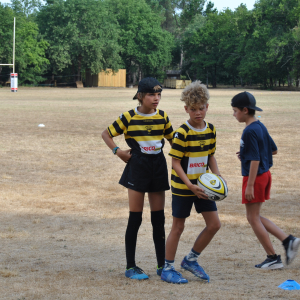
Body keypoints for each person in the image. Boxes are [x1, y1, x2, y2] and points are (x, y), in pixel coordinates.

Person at [101, 77, 174, 280]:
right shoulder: (128, 117)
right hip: (137, 167)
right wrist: (118, 151)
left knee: (158, 220)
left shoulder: (163, 117)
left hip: (158, 167)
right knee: (136, 217)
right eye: (151, 94)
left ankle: (162, 265)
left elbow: (174, 140)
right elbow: (106, 134)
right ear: (140, 96)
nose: (156, 98)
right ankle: (131, 266)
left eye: (159, 94)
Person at [161, 81, 224, 284]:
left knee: (214, 224)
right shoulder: (182, 132)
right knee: (178, 227)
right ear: (186, 109)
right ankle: (167, 268)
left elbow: (210, 156)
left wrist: (217, 175)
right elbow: (176, 162)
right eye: (194, 109)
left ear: (207, 107)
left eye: (202, 108)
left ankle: (190, 259)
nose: (198, 113)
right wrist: (189, 185)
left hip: (204, 186)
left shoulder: (211, 129)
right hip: (183, 188)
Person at [231, 91, 300, 269]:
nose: (234, 114)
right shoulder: (260, 126)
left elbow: (256, 160)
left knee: (253, 218)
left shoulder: (249, 131)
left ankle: (273, 258)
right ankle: (288, 240)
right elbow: (273, 150)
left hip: (255, 177)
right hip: (264, 175)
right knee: (255, 216)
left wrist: (250, 185)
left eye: (235, 111)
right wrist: (247, 154)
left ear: (245, 110)